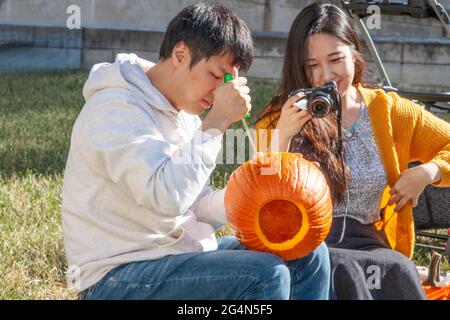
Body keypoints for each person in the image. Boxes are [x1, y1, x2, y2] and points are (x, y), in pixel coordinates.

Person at [62, 3, 330, 300]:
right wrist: (216, 122)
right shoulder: (116, 108)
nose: (220, 91)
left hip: (177, 256)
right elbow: (167, 198)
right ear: (180, 54)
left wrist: (254, 196)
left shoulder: (184, 114)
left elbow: (197, 205)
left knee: (308, 253)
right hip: (117, 277)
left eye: (228, 82)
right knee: (265, 274)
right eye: (217, 75)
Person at [255, 2, 450, 300]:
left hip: (370, 244)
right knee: (341, 268)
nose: (326, 74)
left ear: (354, 53)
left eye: (336, 59)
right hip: (303, 248)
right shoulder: (280, 119)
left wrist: (428, 172)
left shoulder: (388, 111)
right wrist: (280, 138)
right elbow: (255, 199)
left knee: (398, 269)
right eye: (312, 66)